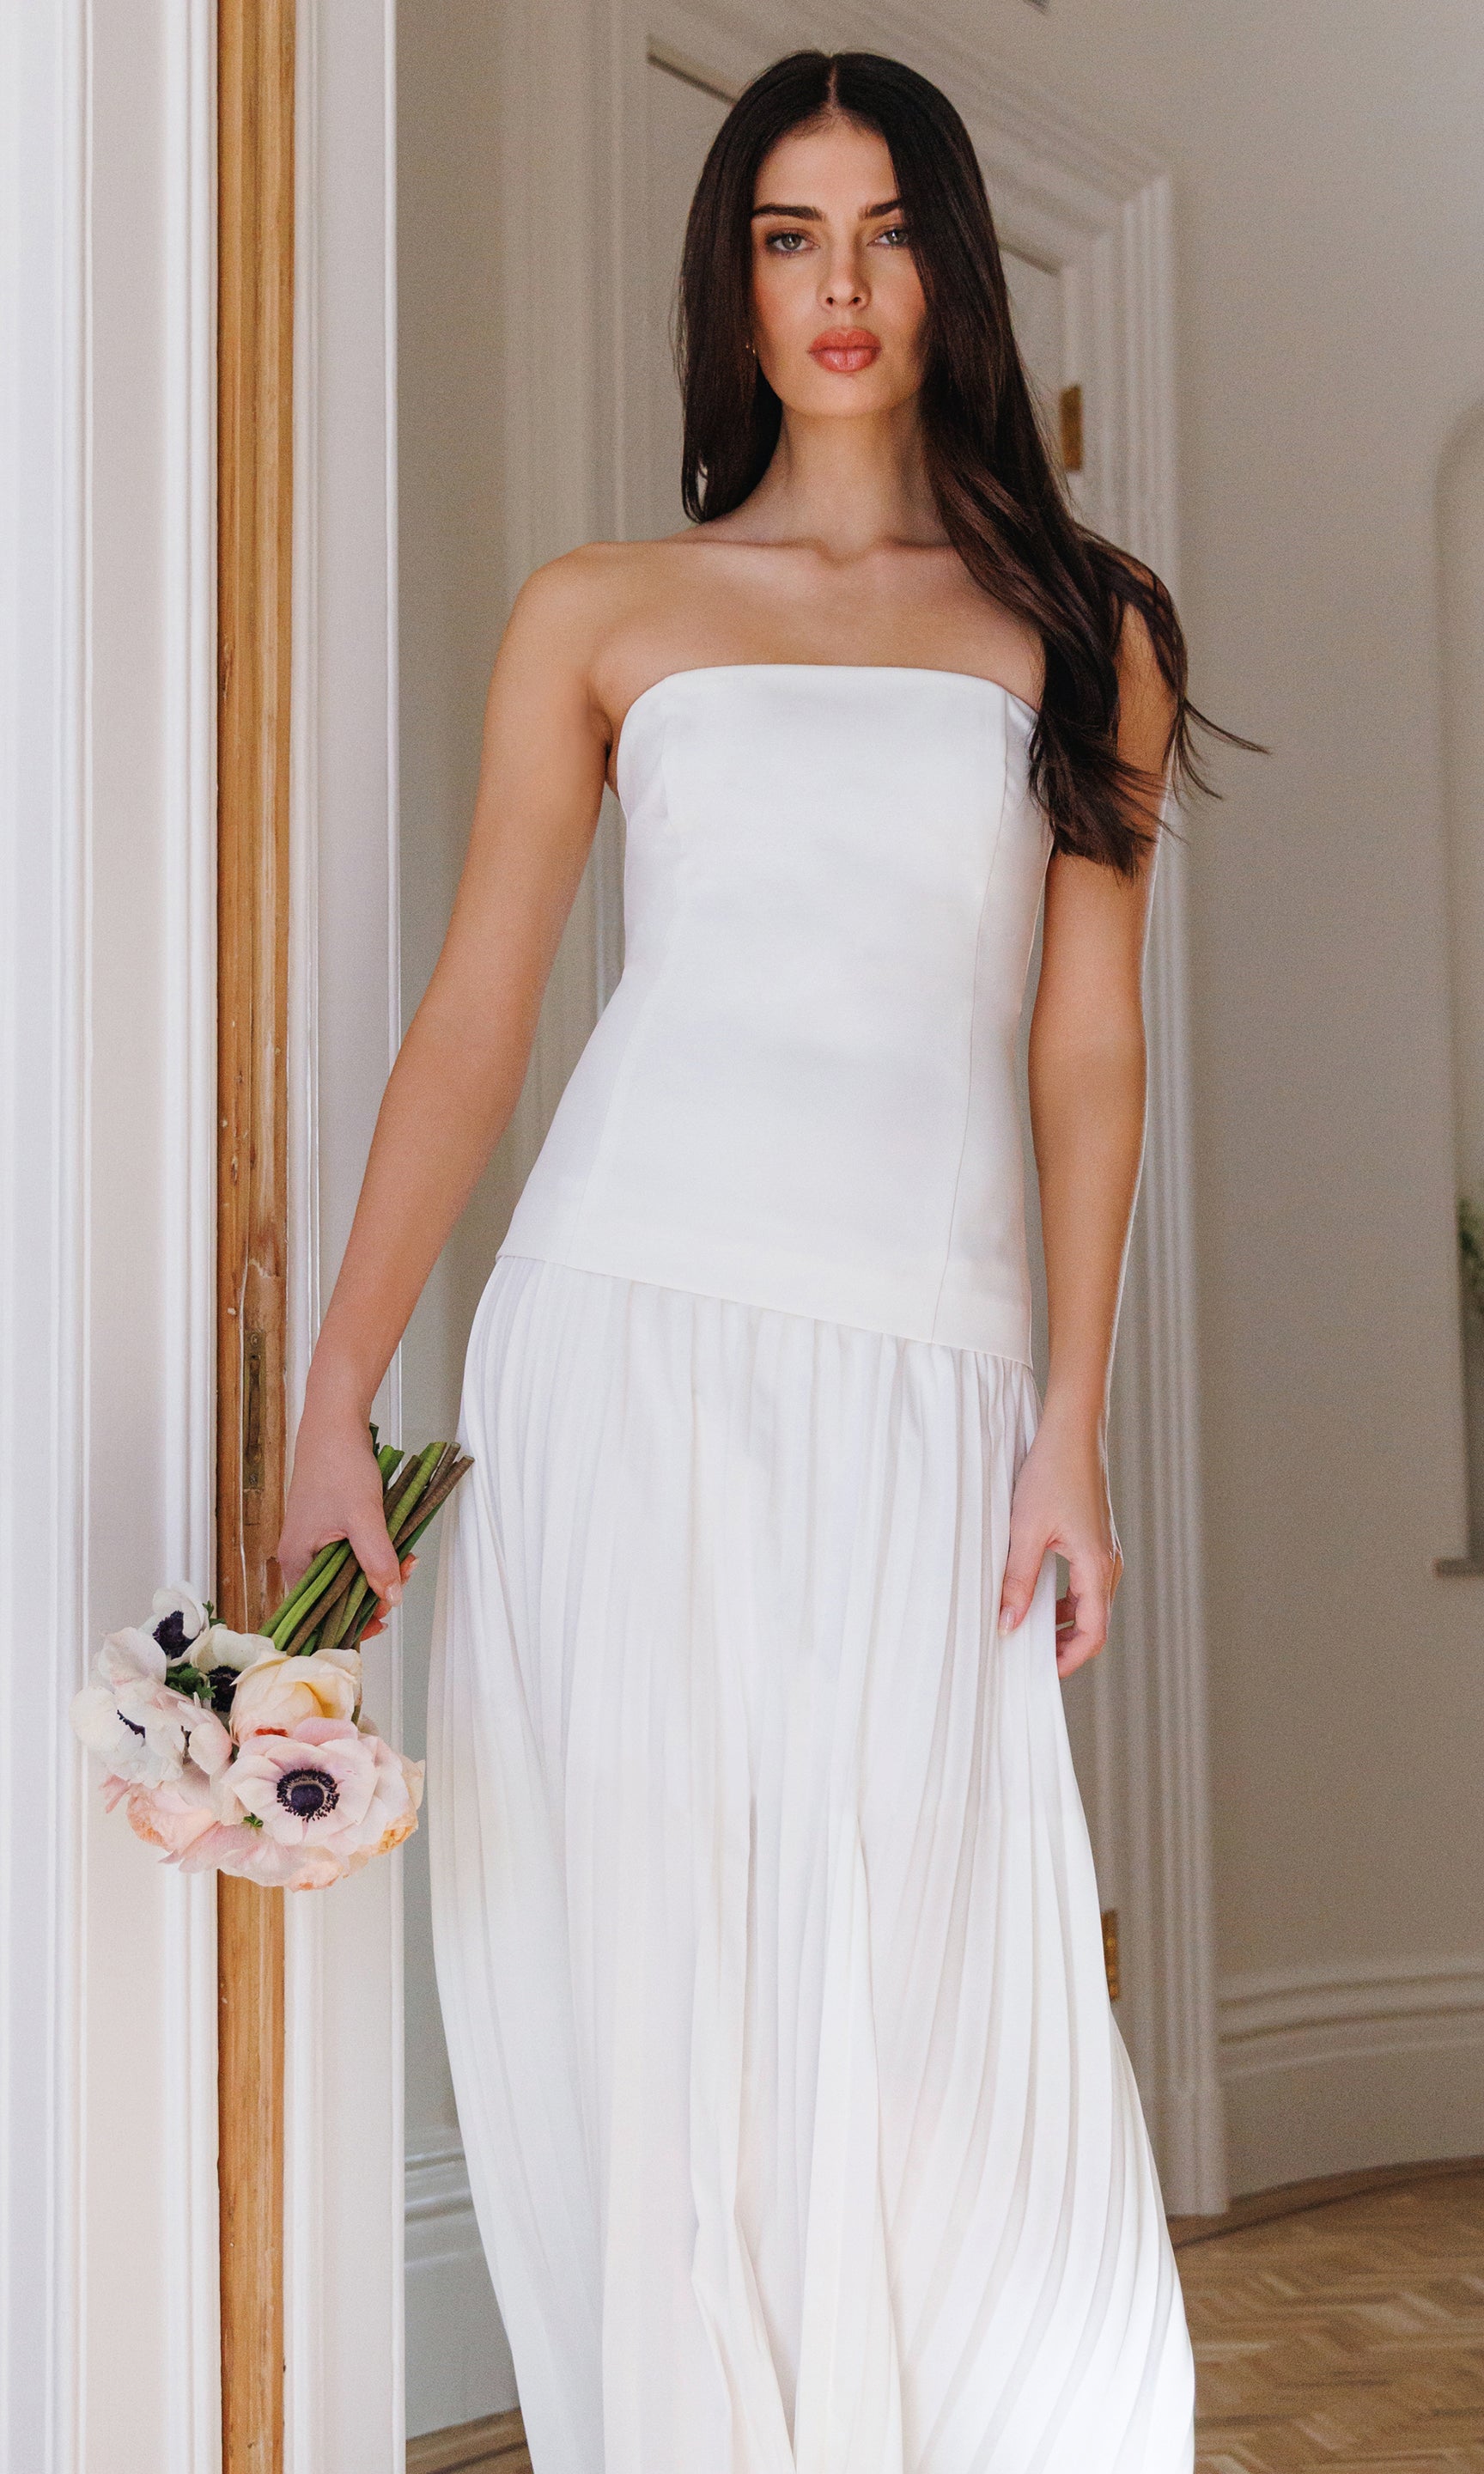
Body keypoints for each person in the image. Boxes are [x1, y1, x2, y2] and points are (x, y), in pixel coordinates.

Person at [280, 47, 1214, 2472]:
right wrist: (335, 1397)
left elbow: (1087, 1057)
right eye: (790, 236)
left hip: (929, 1376)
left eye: (886, 230)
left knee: (933, 1989)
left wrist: (1071, 1436)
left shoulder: (1085, 623)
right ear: (733, 279)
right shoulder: (605, 609)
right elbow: (484, 1010)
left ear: (952, 275)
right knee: (658, 1969)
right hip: (621, 1345)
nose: (840, 285)